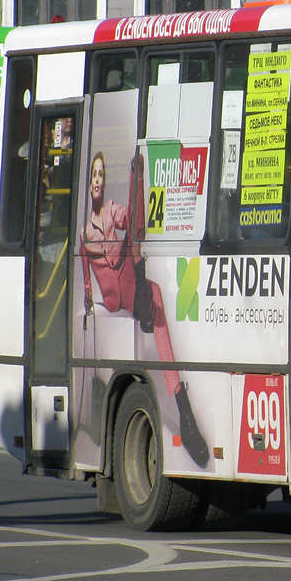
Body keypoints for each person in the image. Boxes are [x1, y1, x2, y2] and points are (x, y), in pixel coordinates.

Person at [80, 151, 208, 467]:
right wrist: (87, 301)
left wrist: (137, 190)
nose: (98, 181)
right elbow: (86, 276)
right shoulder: (84, 233)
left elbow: (136, 222)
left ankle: (183, 407)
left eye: (101, 176)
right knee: (141, 268)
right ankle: (183, 404)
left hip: (129, 285)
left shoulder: (112, 212)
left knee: (150, 279)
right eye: (94, 176)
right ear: (88, 183)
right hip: (116, 296)